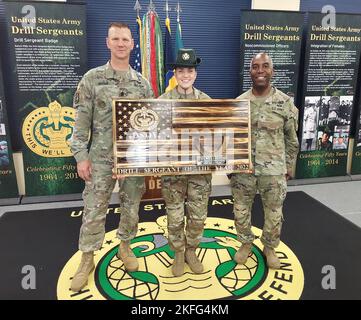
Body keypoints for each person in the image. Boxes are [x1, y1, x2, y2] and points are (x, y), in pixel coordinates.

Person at [69, 22, 153, 292]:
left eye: (125, 39)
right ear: (108, 42)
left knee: (131, 207)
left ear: (132, 44)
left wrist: (150, 159)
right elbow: (80, 126)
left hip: (132, 161)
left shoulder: (142, 84)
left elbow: (151, 126)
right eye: (115, 38)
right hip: (100, 160)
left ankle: (125, 247)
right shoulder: (92, 79)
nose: (120, 43)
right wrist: (81, 156)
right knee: (94, 210)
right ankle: (87, 258)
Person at [230, 52, 299, 269]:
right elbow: (230, 138)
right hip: (244, 170)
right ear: (249, 71)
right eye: (255, 67)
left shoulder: (285, 103)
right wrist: (230, 165)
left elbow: (291, 139)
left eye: (265, 66)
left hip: (274, 171)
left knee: (274, 212)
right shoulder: (239, 103)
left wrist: (289, 166)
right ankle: (245, 244)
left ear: (272, 71)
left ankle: (269, 247)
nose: (260, 71)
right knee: (241, 209)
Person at [158, 49, 212, 277]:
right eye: (181, 70)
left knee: (198, 215)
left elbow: (217, 137)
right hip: (173, 171)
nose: (185, 75)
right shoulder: (161, 102)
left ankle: (191, 250)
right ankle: (178, 253)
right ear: (175, 73)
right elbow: (154, 136)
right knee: (175, 215)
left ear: (195, 74)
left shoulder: (207, 102)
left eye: (189, 70)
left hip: (199, 172)